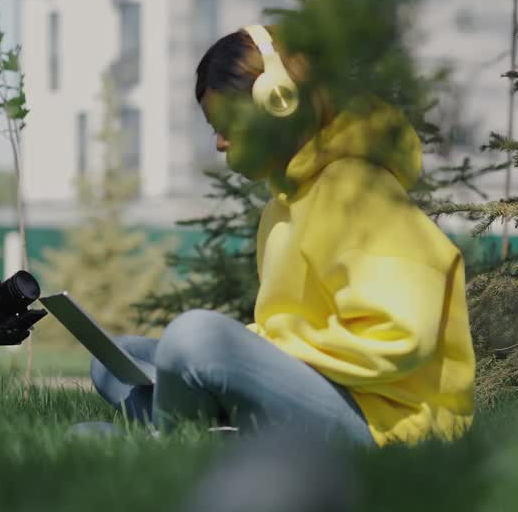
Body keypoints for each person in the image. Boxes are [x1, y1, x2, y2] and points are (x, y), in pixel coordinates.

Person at [84, 24, 476, 447]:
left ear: (278, 102)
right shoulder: (282, 206)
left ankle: (173, 451)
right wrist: (263, 348)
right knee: (117, 359)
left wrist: (268, 349)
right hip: (325, 396)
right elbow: (295, 328)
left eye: (226, 124)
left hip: (390, 424)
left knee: (193, 338)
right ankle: (207, 439)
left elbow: (400, 336)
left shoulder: (358, 190)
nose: (219, 143)